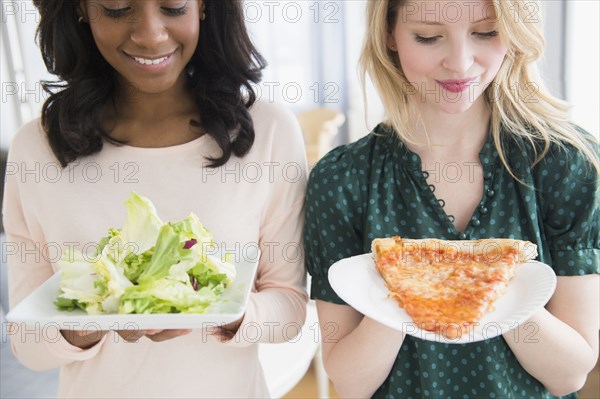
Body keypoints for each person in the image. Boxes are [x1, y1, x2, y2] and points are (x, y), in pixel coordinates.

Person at [3, 1, 308, 397]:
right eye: (116, 8)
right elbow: (27, 343)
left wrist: (220, 312)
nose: (150, 34)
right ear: (80, 8)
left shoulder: (269, 131)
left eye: (173, 6)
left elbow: (290, 310)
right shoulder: (35, 148)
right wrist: (93, 319)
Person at [304, 0, 599, 398]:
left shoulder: (564, 164)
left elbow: (569, 374)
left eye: (485, 32)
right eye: (428, 36)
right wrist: (413, 284)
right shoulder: (341, 180)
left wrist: (482, 282)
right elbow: (352, 383)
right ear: (389, 34)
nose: (460, 64)